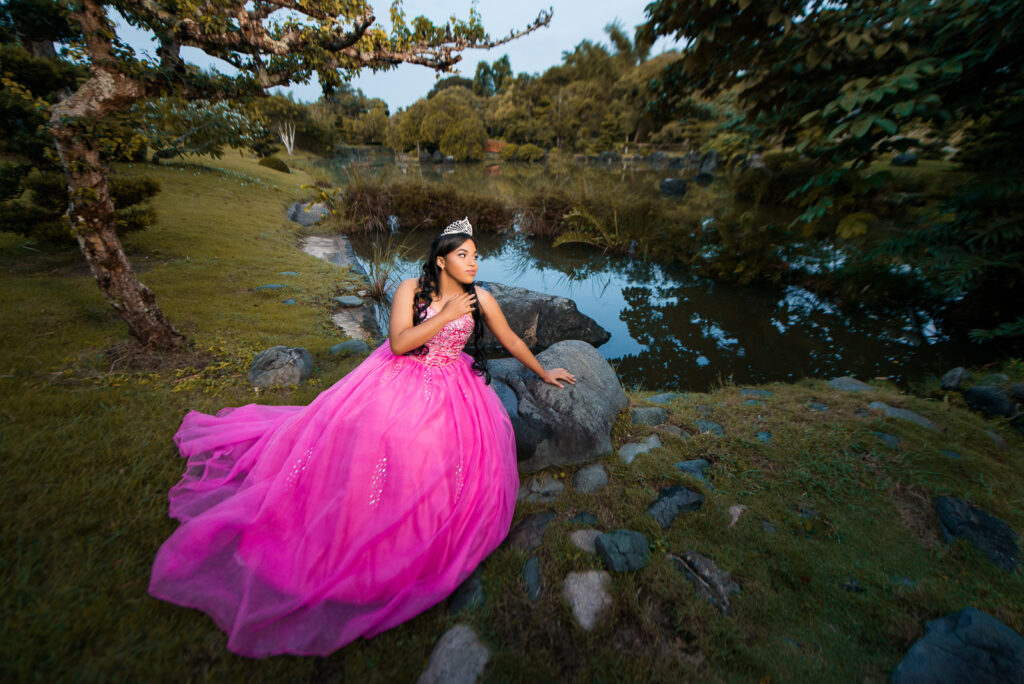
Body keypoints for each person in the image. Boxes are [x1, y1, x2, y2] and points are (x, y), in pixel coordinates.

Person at [149, 217, 575, 658]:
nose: (473, 262)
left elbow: (509, 338)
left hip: (452, 383)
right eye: (463, 255)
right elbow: (398, 343)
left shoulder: (480, 297)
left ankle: (422, 527)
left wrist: (544, 369)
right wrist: (446, 316)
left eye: (476, 255)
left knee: (438, 451)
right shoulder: (412, 289)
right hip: (399, 374)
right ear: (442, 260)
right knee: (375, 437)